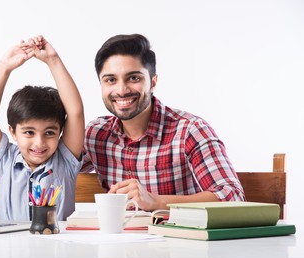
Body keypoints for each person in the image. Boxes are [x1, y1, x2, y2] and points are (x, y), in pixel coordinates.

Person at [81, 34, 245, 211]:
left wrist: (156, 202)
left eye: (134, 78)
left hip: (181, 237)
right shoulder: (96, 135)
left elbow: (233, 197)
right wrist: (53, 61)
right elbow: (54, 165)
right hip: (119, 237)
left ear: (153, 82)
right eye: (111, 80)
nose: (121, 90)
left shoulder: (190, 130)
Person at [0, 36, 84, 221]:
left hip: (57, 249)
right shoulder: (4, 160)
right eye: (29, 132)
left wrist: (53, 60)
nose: (39, 142)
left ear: (60, 131)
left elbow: (75, 113)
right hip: (9, 249)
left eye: (49, 133)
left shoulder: (65, 162)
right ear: (13, 132)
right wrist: (4, 67)